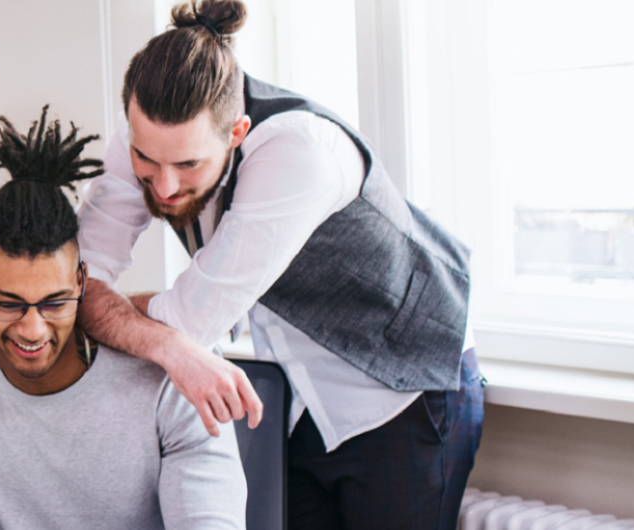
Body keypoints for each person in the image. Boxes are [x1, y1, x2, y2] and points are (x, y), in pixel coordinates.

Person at [75, 1, 483, 528]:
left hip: (406, 390)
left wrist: (131, 320)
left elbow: (189, 319)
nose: (165, 184)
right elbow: (79, 283)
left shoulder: (298, 152)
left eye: (189, 164)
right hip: (300, 402)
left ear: (236, 133)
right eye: (146, 161)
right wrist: (148, 331)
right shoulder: (147, 134)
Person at [0, 109, 245, 530]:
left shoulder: (175, 384)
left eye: (54, 303)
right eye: (8, 304)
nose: (33, 329)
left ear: (82, 282)